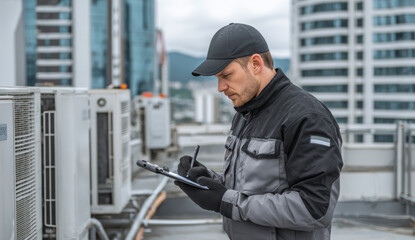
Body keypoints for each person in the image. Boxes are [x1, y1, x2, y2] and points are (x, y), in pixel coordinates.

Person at [175, 23, 343, 240]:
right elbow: (253, 188)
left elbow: (315, 209)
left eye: (226, 75)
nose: (220, 87)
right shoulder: (245, 113)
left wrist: (225, 200)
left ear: (255, 63)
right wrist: (210, 182)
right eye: (217, 78)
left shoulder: (307, 117)